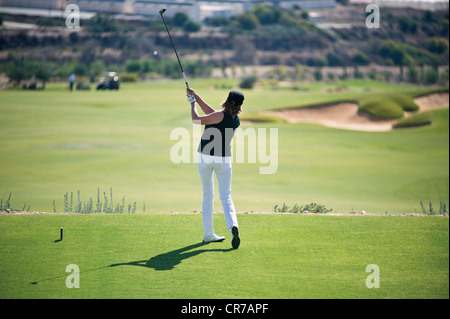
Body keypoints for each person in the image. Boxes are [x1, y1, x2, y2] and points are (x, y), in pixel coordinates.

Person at [187, 88, 244, 249]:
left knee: (207, 195)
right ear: (239, 106)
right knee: (226, 197)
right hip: (224, 160)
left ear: (226, 100)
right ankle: (233, 225)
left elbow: (196, 119)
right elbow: (213, 113)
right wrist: (196, 96)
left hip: (206, 158)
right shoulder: (236, 120)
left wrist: (192, 104)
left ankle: (208, 235)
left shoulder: (219, 116)